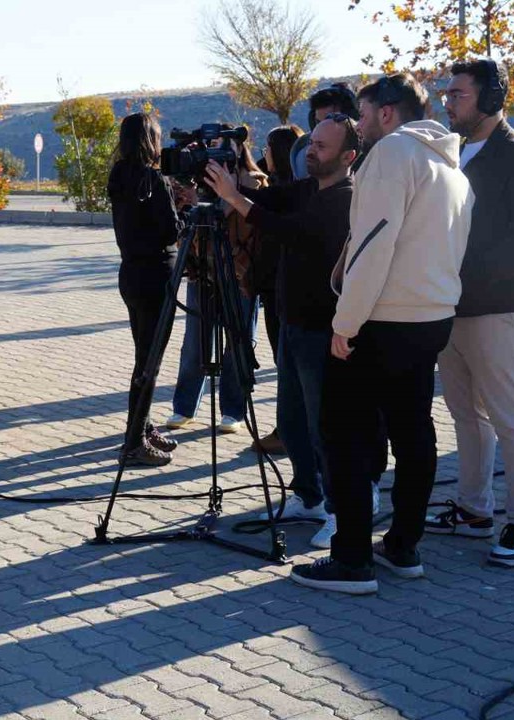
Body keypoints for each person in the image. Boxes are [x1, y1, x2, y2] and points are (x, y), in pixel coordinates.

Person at [291, 73, 473, 594]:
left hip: (382, 320)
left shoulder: (392, 154)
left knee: (344, 433)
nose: (358, 124)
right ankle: (402, 546)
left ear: (388, 113)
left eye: (363, 114)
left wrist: (345, 324)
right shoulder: (450, 166)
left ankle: (351, 559)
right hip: (431, 317)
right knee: (413, 431)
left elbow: (373, 245)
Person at [205, 116, 360, 550]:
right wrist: (231, 174)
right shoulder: (309, 188)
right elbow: (269, 200)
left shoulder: (345, 198)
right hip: (291, 322)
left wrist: (234, 198)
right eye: (312, 143)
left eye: (322, 147)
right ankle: (308, 496)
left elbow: (285, 228)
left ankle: (338, 510)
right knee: (293, 420)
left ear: (347, 157)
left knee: (323, 425)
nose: (311, 151)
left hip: (320, 328)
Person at [429, 59, 514, 567]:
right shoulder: (450, 153)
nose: (448, 102)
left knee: (511, 417)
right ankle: (475, 510)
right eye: (447, 94)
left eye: (457, 94)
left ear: (489, 99)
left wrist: (463, 277)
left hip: (500, 310)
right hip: (450, 308)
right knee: (466, 413)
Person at [167, 136, 265, 435]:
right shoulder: (198, 182)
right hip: (203, 271)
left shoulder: (254, 182)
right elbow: (186, 228)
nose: (214, 154)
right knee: (195, 342)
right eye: (209, 147)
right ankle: (184, 407)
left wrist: (227, 193)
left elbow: (246, 220)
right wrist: (188, 199)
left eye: (223, 146)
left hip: (239, 274)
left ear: (238, 149)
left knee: (238, 341)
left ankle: (233, 410)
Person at [108, 113, 185, 466]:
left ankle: (142, 424)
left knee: (143, 356)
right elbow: (171, 231)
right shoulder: (153, 179)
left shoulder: (120, 176)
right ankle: (134, 442)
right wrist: (185, 205)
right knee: (149, 363)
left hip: (131, 274)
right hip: (156, 275)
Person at [247, 124, 305, 458]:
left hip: (280, 291)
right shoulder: (291, 188)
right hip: (275, 289)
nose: (263, 155)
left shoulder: (286, 194)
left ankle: (288, 432)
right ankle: (290, 429)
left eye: (267, 148)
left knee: (288, 366)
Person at [289, 83, 360, 180]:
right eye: (319, 123)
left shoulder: (373, 156)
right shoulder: (303, 152)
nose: (322, 128)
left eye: (331, 120)